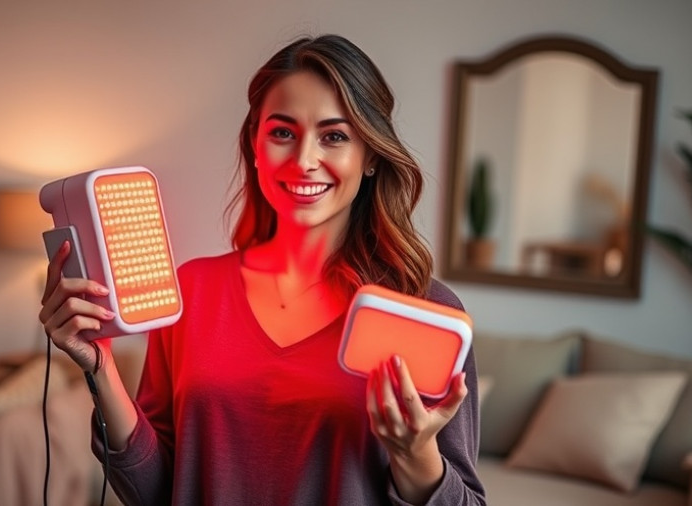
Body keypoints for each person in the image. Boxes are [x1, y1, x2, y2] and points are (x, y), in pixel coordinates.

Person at [39, 34, 486, 505]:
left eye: (334, 136)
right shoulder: (192, 290)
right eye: (282, 133)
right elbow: (156, 492)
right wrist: (102, 367)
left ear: (370, 155)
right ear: (255, 144)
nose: (304, 160)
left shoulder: (425, 310)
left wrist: (416, 455)